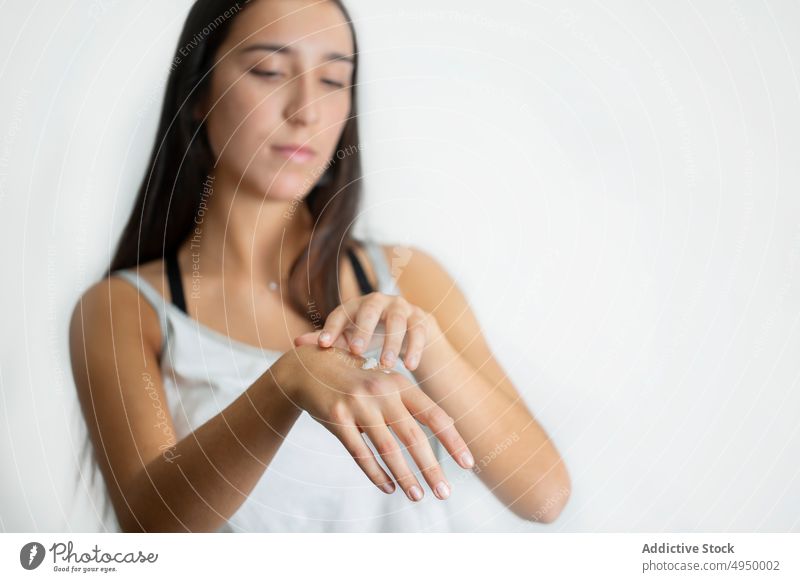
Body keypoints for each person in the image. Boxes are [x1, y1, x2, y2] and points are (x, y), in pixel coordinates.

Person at [68, 0, 571, 532]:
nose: (306, 111)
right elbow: (151, 530)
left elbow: (543, 497)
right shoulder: (125, 310)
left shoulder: (409, 278)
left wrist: (428, 345)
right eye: (268, 71)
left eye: (333, 80)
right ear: (198, 95)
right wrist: (287, 382)